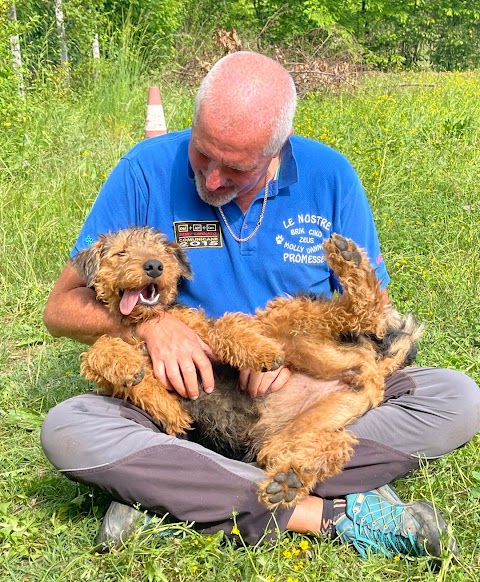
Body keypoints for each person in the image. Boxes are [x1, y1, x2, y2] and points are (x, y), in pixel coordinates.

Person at [41, 51, 480, 559]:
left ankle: (174, 498)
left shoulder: (331, 177)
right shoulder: (145, 170)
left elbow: (375, 318)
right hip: (186, 401)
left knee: (457, 397)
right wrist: (148, 328)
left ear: (277, 152)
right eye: (202, 157)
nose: (210, 181)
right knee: (70, 428)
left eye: (235, 168)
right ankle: (330, 513)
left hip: (303, 396)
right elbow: (59, 309)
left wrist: (292, 356)